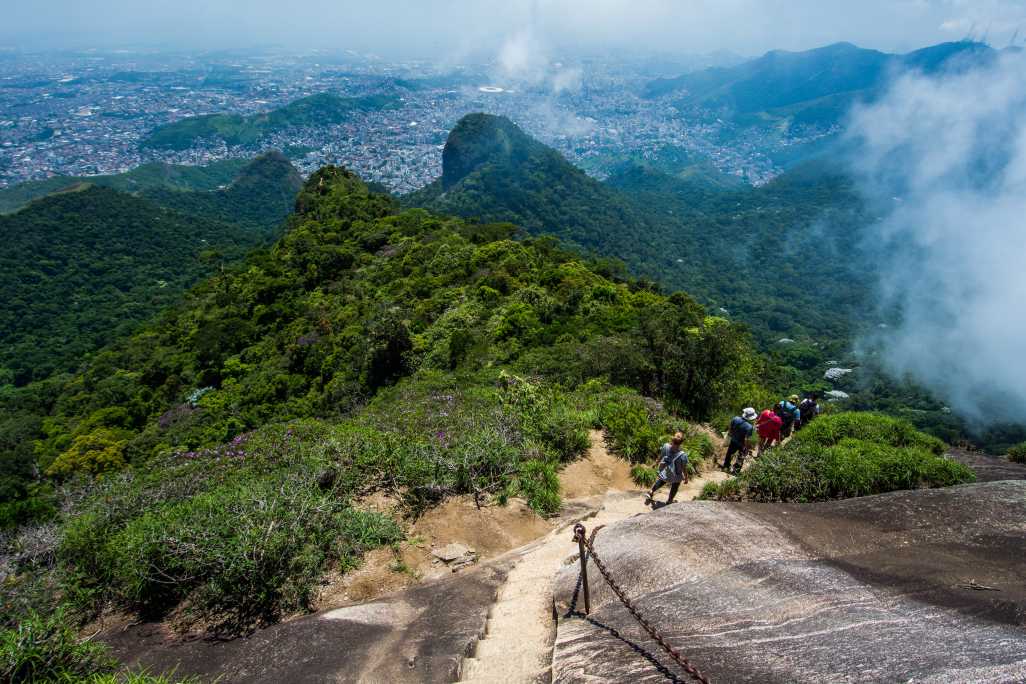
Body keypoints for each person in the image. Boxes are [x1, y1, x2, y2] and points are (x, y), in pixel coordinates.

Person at [645, 431, 689, 506]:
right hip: (676, 475)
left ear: (672, 439)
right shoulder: (683, 455)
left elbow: (660, 456)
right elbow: (684, 468)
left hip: (666, 471)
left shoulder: (666, 446)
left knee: (662, 480)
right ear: (681, 443)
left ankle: (651, 491)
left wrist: (655, 463)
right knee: (675, 485)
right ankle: (669, 501)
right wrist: (686, 478)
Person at [722, 408, 756, 474]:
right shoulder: (749, 427)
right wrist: (746, 447)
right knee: (741, 457)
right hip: (742, 444)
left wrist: (730, 435)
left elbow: (730, 428)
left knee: (729, 454)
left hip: (733, 440)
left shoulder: (735, 418)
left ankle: (726, 466)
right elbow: (746, 439)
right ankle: (736, 471)